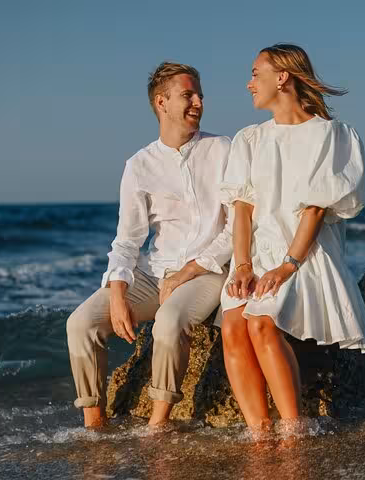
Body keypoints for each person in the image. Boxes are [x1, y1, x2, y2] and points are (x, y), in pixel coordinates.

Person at [219, 44, 365, 430]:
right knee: (232, 326)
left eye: (256, 73)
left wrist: (287, 266)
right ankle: (260, 433)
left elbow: (316, 208)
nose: (249, 83)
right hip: (255, 253)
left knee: (260, 323)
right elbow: (242, 208)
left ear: (282, 77)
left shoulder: (330, 135)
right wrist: (242, 265)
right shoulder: (249, 139)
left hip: (303, 254)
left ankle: (293, 430)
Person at [66, 62, 232, 428]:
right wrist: (117, 292)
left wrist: (190, 270)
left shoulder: (224, 150)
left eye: (200, 94)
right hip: (155, 274)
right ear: (162, 102)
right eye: (188, 94)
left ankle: (158, 425)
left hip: (206, 271)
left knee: (170, 321)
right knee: (80, 323)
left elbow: (236, 229)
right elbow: (127, 240)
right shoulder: (139, 165)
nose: (198, 102)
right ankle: (94, 422)